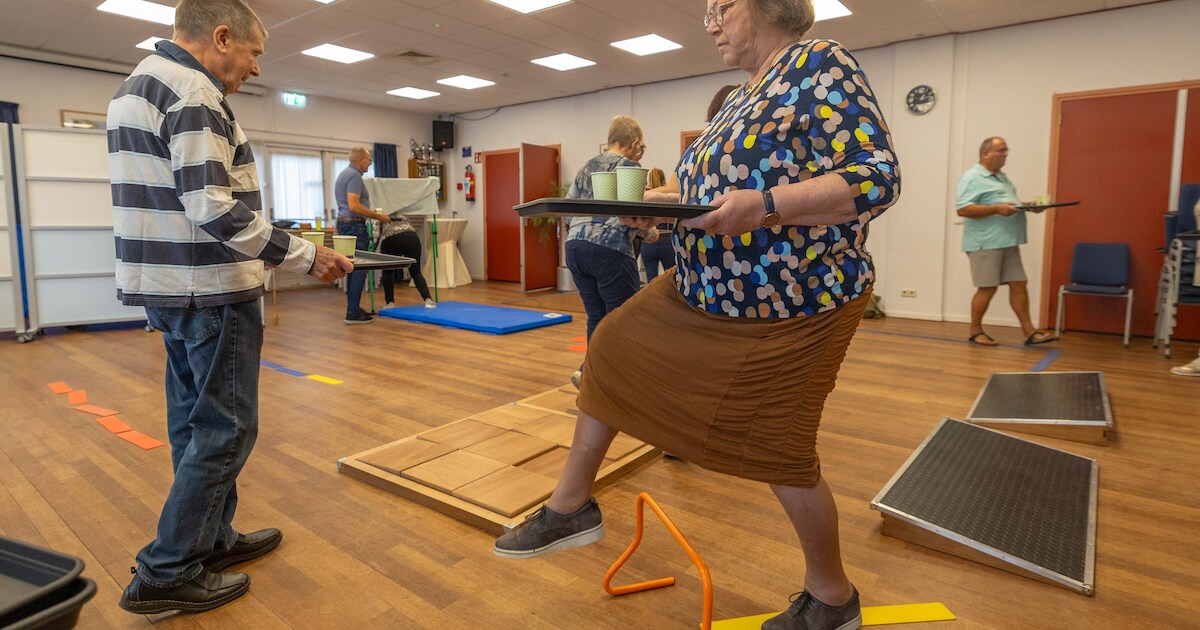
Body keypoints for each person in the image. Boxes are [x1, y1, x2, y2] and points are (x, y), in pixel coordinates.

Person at [494, 2, 900, 629]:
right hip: (699, 289)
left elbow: (876, 179)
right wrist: (661, 206)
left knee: (780, 451)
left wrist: (767, 204)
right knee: (612, 347)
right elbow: (713, 196)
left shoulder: (820, 63)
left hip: (791, 303)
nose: (709, 22)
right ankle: (570, 507)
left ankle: (833, 598)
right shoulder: (742, 96)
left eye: (721, 6)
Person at [106, 0, 352, 614]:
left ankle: (208, 541)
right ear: (221, 37)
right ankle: (166, 570)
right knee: (225, 428)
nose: (254, 67)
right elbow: (210, 205)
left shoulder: (136, 86)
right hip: (209, 286)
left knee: (193, 424)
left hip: (165, 285)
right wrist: (304, 255)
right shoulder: (195, 92)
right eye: (253, 52)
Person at [563, 115, 647, 387]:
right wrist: (648, 231)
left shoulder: (586, 167)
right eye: (641, 148)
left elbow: (567, 210)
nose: (641, 153)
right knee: (624, 318)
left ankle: (591, 373)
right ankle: (618, 382)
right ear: (633, 143)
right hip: (609, 247)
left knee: (597, 316)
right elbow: (634, 215)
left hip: (575, 246)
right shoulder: (629, 169)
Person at [957, 137, 1057, 346]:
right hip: (985, 243)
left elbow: (1007, 204)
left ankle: (1029, 332)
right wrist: (997, 209)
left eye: (1006, 151)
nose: (1005, 155)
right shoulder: (972, 177)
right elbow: (963, 209)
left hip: (1008, 241)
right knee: (987, 288)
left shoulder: (1002, 177)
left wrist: (1027, 206)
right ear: (986, 154)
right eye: (1001, 151)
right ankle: (975, 331)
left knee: (1019, 283)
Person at [336, 146, 392, 324]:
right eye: (368, 159)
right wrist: (378, 216)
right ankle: (352, 311)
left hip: (345, 224)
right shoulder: (354, 176)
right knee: (358, 268)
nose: (370, 163)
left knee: (351, 267)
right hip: (354, 225)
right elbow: (354, 205)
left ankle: (354, 308)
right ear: (361, 160)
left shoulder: (344, 174)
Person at [378, 214, 434, 309]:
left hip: (391, 239)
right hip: (412, 237)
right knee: (415, 272)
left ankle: (390, 302)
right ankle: (428, 300)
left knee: (388, 271)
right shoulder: (402, 215)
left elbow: (375, 234)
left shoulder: (380, 213)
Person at [638, 167, 675, 283]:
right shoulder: (668, 194)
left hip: (648, 244)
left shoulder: (644, 195)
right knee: (671, 280)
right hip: (667, 242)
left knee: (651, 281)